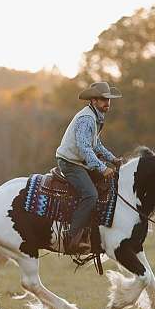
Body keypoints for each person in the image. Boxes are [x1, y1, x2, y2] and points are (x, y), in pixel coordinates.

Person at [55, 81, 124, 254]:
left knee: (106, 188)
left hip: (79, 161)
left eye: (108, 99)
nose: (107, 103)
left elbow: (96, 145)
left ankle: (94, 232)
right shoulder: (87, 119)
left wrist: (113, 159)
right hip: (70, 163)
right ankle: (71, 237)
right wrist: (102, 168)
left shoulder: (96, 116)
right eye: (103, 99)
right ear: (93, 100)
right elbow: (84, 148)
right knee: (91, 195)